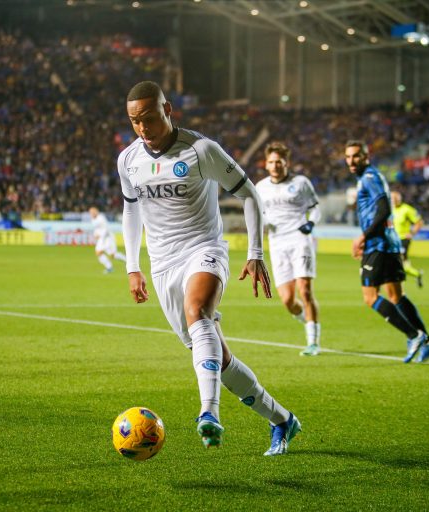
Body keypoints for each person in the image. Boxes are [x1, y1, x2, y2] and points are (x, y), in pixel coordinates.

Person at [118, 80, 301, 456]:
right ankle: (282, 419)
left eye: (149, 118)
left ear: (168, 111)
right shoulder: (128, 160)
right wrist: (132, 266)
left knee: (197, 311)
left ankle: (209, 414)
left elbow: (248, 192)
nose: (142, 128)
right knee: (220, 358)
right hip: (163, 263)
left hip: (204, 248)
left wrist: (256, 252)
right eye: (134, 121)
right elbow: (131, 208)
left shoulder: (201, 150)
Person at [345, 140, 429, 363]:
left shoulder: (369, 177)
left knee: (370, 297)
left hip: (378, 244)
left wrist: (363, 237)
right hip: (390, 243)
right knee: (396, 296)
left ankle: (413, 335)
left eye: (356, 155)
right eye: (348, 157)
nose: (351, 161)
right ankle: (427, 341)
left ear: (366, 156)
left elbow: (385, 209)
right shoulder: (368, 178)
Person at [255, 142, 322, 356]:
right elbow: (259, 213)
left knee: (305, 290)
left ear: (287, 163)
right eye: (271, 162)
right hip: (277, 243)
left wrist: (311, 223)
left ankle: (313, 342)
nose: (275, 166)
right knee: (288, 301)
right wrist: (263, 223)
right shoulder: (260, 187)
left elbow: (315, 208)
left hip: (300, 239)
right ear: (266, 164)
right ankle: (307, 320)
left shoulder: (301, 182)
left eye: (279, 162)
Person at [391, 191, 424, 288]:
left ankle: (400, 285)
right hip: (392, 240)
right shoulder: (389, 209)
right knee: (402, 264)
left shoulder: (407, 209)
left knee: (398, 261)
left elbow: (419, 222)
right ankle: (417, 274)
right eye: (392, 198)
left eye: (395, 198)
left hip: (403, 239)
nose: (393, 200)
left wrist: (412, 233)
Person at [88, 206, 126, 274]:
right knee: (98, 252)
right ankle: (109, 267)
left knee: (113, 255)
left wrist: (100, 235)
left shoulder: (101, 218)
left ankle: (127, 260)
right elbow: (97, 229)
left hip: (108, 238)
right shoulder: (93, 219)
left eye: (92, 212)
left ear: (96, 212)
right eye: (90, 212)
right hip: (101, 239)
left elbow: (106, 229)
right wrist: (95, 234)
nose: (91, 214)